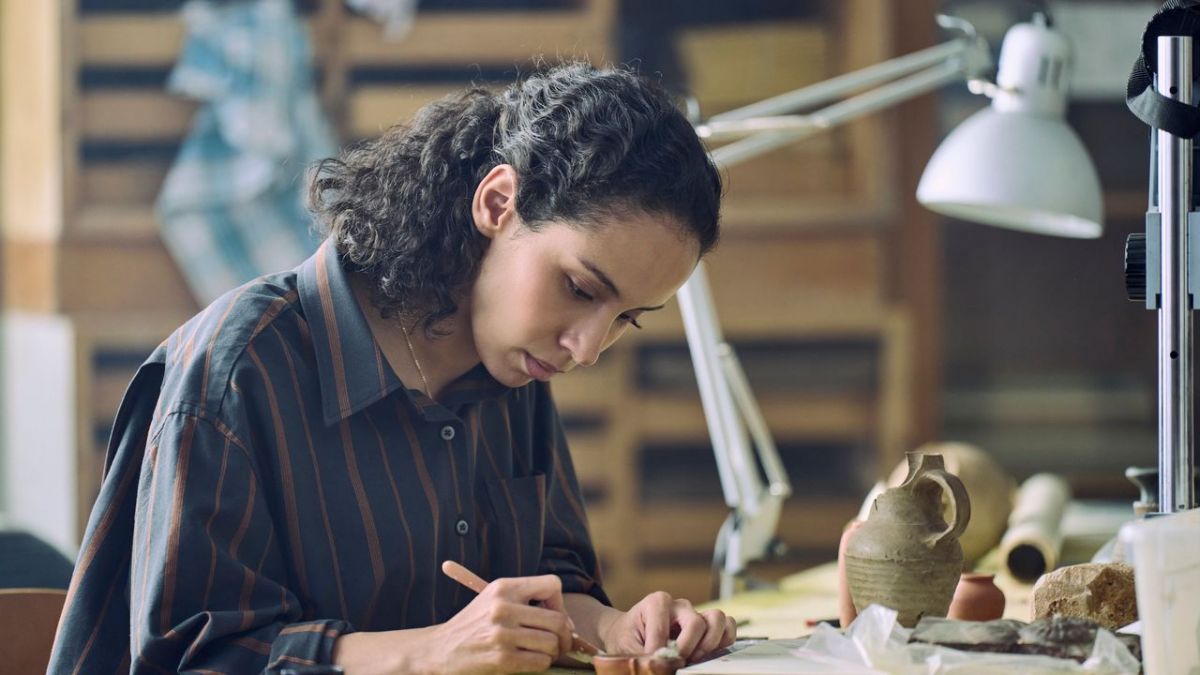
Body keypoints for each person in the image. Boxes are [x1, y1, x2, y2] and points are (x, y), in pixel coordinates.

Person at [49, 62, 732, 674]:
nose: (586, 347)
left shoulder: (517, 367)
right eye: (581, 290)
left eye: (626, 319)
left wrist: (616, 628)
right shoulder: (236, 371)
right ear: (497, 204)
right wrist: (431, 652)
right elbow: (190, 660)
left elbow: (548, 589)